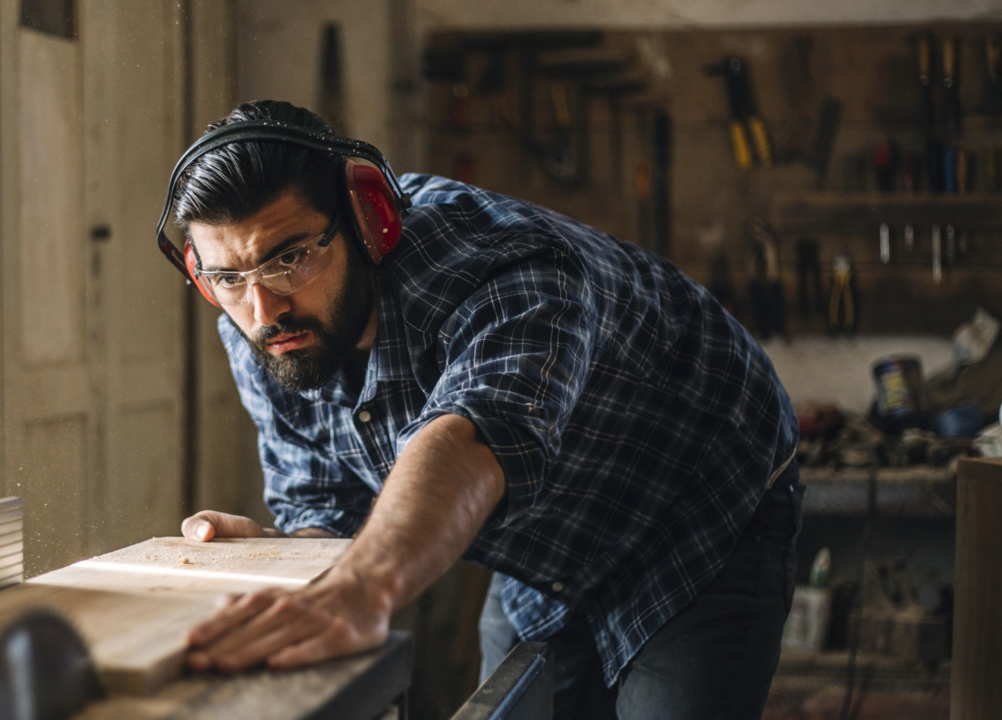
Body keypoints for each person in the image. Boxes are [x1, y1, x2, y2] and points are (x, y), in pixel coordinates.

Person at [157, 99, 801, 720]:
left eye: (291, 257)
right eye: (229, 278)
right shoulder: (264, 329)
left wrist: (360, 589)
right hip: (542, 544)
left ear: (367, 219)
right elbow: (331, 511)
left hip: (697, 505)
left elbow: (475, 436)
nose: (264, 311)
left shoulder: (505, 264)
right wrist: (292, 555)